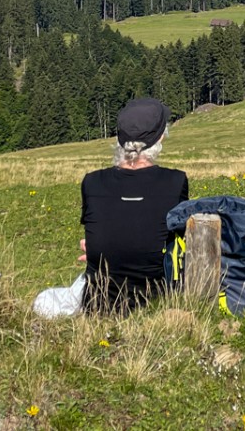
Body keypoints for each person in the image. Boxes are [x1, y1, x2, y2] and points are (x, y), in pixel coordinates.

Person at [79, 97, 188, 311]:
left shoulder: (91, 183)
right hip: (155, 301)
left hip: (98, 304)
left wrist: (100, 251)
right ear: (160, 139)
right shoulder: (176, 182)